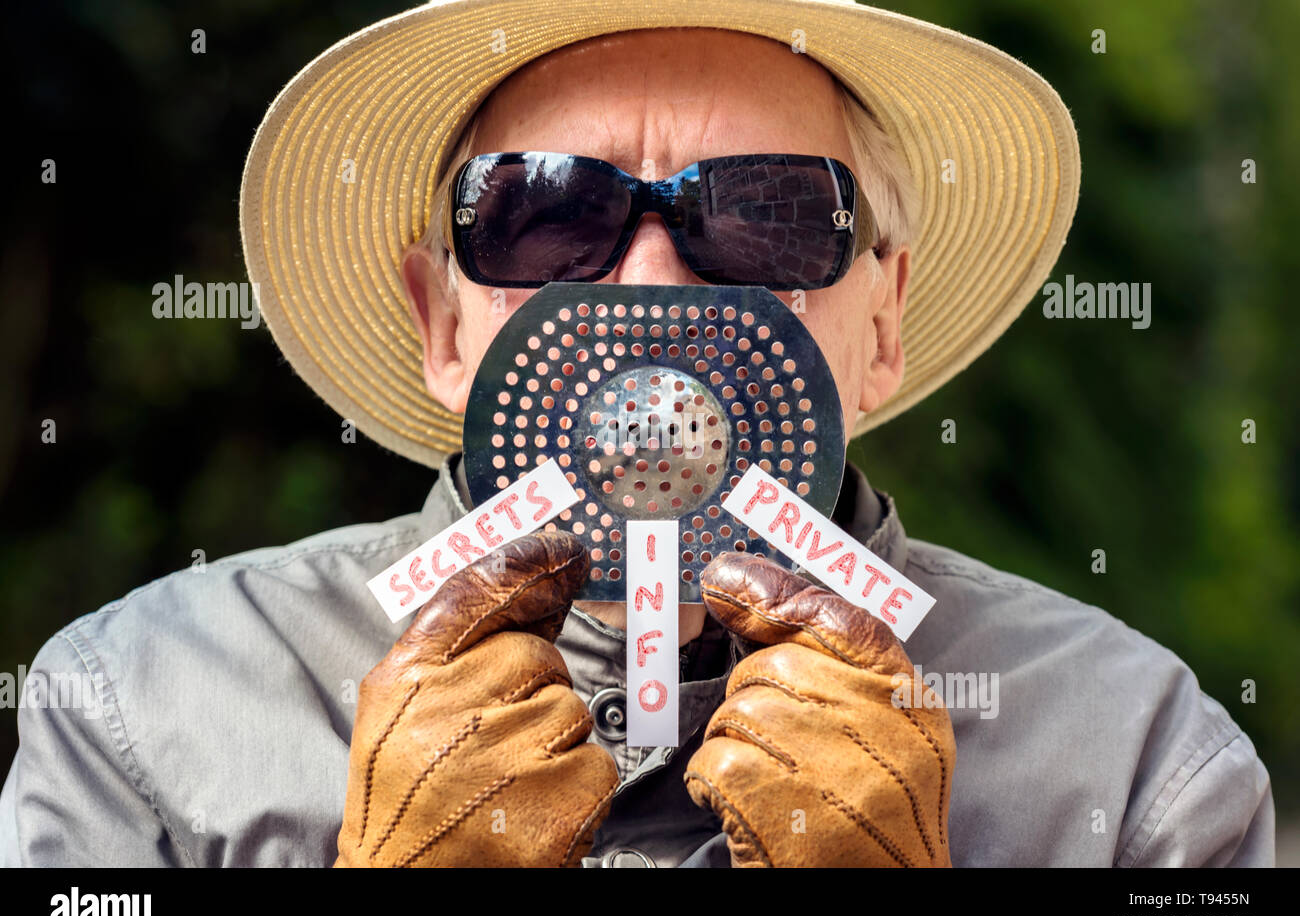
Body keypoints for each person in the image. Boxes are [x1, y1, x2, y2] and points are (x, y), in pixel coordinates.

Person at [0, 0, 1273, 867]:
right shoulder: (144, 711)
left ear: (879, 323)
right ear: (442, 322)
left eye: (764, 219)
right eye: (550, 221)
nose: (653, 293)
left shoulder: (1134, 759)